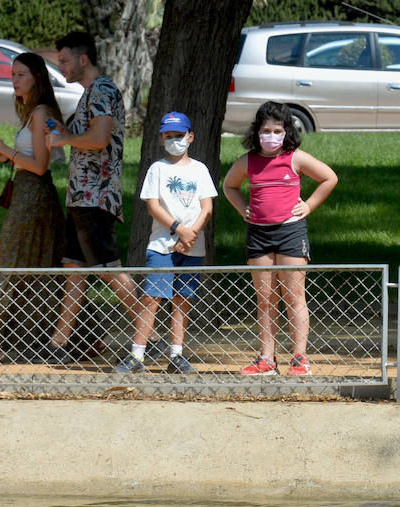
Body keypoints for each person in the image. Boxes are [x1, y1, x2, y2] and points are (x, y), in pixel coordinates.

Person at [0, 52, 65, 364]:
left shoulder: (41, 112)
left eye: (21, 74)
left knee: (6, 260)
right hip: (27, 193)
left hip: (34, 195)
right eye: (12, 74)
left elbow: (41, 167)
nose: (14, 80)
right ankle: (78, 337)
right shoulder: (33, 112)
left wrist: (5, 149)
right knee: (37, 263)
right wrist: (8, 155)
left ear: (37, 78)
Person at [45, 30, 143, 362]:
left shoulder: (101, 90)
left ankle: (153, 336)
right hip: (82, 196)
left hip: (95, 197)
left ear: (83, 59)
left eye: (65, 60)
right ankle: (59, 345)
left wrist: (63, 140)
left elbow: (99, 139)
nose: (62, 67)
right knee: (74, 267)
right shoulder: (92, 93)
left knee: (109, 269)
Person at [221, 100, 338, 376]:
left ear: (286, 132)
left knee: (294, 296)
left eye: (277, 130)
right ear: (256, 131)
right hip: (259, 235)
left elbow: (329, 178)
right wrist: (243, 209)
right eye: (266, 130)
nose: (271, 136)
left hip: (290, 233)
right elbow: (229, 186)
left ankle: (299, 358)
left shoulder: (295, 157)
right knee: (265, 298)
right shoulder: (248, 161)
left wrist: (308, 206)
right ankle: (266, 358)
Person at [114, 111, 216, 374]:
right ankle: (137, 355)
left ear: (190, 137)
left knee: (183, 299)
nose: (174, 141)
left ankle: (176, 354)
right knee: (152, 298)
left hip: (193, 244)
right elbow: (152, 206)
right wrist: (178, 229)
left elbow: (206, 208)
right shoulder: (157, 169)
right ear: (161, 139)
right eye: (169, 136)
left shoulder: (200, 169)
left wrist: (190, 234)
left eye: (179, 136)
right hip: (162, 244)